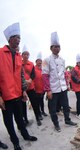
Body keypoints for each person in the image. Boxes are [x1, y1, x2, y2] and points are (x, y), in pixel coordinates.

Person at [0, 22, 37, 150]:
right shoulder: (0, 53)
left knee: (20, 119)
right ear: (10, 39)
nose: (19, 40)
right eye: (17, 37)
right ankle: (15, 142)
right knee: (9, 122)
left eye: (20, 38)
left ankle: (25, 135)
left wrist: (24, 91)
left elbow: (21, 76)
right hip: (5, 97)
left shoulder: (17, 56)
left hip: (18, 94)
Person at [42, 32, 77, 132]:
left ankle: (67, 120)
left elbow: (64, 73)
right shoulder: (46, 60)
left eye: (58, 47)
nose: (57, 48)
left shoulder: (62, 60)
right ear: (51, 48)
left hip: (63, 88)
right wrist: (48, 90)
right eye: (55, 47)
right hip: (53, 89)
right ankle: (56, 124)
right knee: (53, 109)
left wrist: (67, 84)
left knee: (66, 106)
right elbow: (44, 76)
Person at [22, 45, 42, 126]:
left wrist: (30, 80)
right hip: (22, 88)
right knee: (23, 105)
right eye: (25, 54)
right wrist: (24, 81)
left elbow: (33, 74)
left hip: (30, 87)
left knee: (35, 103)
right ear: (22, 55)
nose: (26, 55)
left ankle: (37, 118)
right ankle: (25, 120)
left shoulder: (31, 64)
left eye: (27, 54)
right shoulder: (19, 63)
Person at [34, 52, 48, 117]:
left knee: (41, 101)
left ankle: (42, 111)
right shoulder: (33, 69)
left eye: (40, 61)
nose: (39, 62)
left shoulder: (43, 69)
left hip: (42, 89)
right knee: (37, 102)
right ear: (36, 62)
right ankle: (38, 113)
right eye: (38, 61)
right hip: (36, 89)